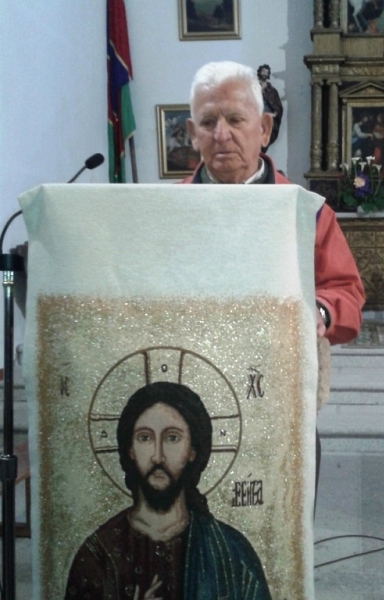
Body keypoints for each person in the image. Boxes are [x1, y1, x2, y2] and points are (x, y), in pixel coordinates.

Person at [184, 60, 365, 346]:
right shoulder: (166, 209)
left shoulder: (306, 212)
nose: (221, 134)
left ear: (264, 128)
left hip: (279, 362)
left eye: (235, 119)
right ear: (194, 134)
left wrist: (319, 311)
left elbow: (345, 292)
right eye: (208, 122)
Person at [65, 382, 272, 600]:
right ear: (130, 450)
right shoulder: (98, 555)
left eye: (172, 438)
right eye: (145, 438)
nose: (158, 456)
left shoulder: (231, 551)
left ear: (192, 450)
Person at [257, 64, 283, 151]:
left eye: (266, 72)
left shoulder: (272, 91)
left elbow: (278, 107)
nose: (265, 73)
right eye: (263, 71)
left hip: (267, 116)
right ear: (259, 72)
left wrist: (274, 114)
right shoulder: (254, 88)